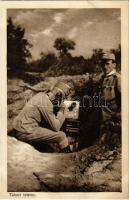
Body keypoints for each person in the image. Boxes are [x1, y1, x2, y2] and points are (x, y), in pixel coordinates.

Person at [13, 81, 74, 153]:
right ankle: (69, 158)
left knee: (50, 149)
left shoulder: (41, 95)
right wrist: (62, 110)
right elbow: (56, 127)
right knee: (61, 136)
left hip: (22, 128)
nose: (62, 101)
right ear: (58, 94)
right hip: (25, 132)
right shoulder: (46, 103)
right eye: (63, 98)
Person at [99, 52, 121, 147]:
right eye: (103, 64)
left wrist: (118, 116)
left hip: (114, 120)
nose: (104, 66)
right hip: (104, 120)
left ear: (114, 64)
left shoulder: (117, 78)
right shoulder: (103, 78)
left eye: (107, 63)